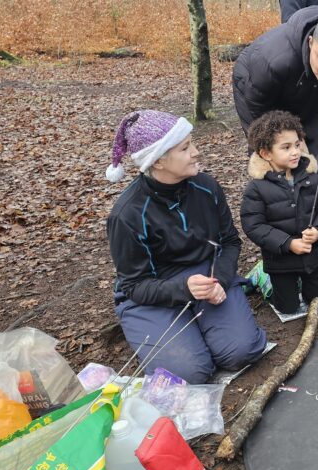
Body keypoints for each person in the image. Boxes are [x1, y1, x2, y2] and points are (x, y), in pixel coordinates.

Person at [105, 110, 268, 384]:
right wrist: (183, 289)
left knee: (242, 351)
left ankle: (204, 327)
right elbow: (134, 285)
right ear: (158, 161)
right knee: (189, 373)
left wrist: (221, 280)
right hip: (153, 291)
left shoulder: (206, 188)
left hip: (207, 276)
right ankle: (169, 331)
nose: (196, 152)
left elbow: (228, 242)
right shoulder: (128, 215)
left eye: (192, 143)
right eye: (185, 147)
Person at [233, 6, 318, 218]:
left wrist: (303, 135)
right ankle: (273, 212)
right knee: (272, 148)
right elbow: (261, 114)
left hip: (306, 86)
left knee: (307, 147)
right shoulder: (273, 61)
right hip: (255, 85)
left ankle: (309, 208)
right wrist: (288, 135)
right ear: (311, 42)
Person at [240, 111, 318, 314]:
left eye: (297, 144)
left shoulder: (312, 179)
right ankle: (263, 278)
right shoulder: (257, 188)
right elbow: (253, 225)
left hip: (312, 258)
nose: (295, 152)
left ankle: (307, 285)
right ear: (266, 153)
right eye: (285, 147)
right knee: (288, 308)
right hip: (280, 261)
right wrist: (287, 243)